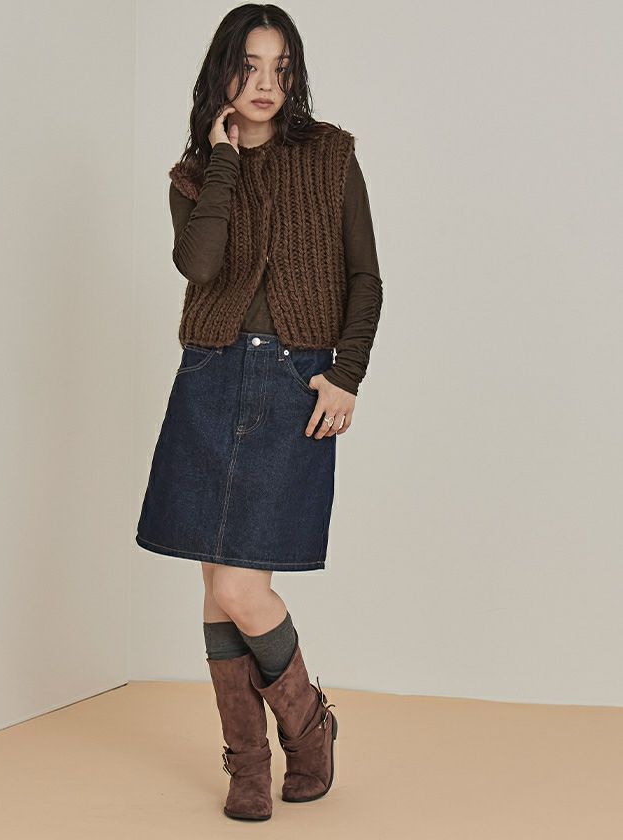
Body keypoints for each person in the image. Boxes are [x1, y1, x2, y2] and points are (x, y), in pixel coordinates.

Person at [135, 3, 382, 821]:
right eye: (249, 66)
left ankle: (309, 729)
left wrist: (346, 375)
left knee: (242, 585)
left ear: (294, 75)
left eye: (281, 67)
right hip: (210, 375)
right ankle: (246, 763)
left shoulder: (331, 154)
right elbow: (201, 266)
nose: (266, 83)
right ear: (224, 73)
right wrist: (223, 160)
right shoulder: (195, 173)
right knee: (218, 583)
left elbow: (365, 277)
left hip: (294, 383)